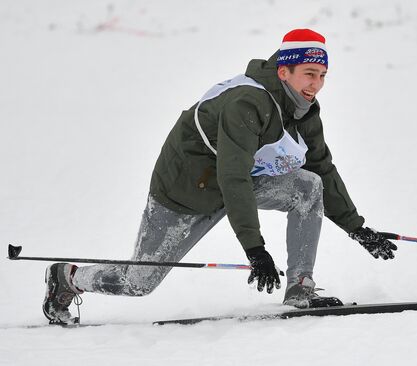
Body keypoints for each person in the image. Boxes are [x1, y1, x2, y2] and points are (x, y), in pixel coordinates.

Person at [42, 29, 397, 324]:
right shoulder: (247, 102)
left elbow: (321, 166)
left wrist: (357, 228)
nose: (316, 84)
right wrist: (255, 250)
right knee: (138, 283)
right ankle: (69, 277)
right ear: (283, 72)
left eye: (322, 76)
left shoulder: (304, 110)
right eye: (309, 73)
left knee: (308, 186)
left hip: (241, 181)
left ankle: (300, 290)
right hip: (185, 192)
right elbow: (233, 178)